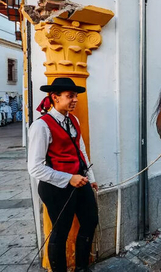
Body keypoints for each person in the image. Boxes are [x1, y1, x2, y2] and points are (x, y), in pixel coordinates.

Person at [28, 77, 98, 272]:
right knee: (60, 232)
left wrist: (90, 178)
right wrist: (68, 178)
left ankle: (82, 267)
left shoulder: (73, 119)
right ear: (55, 97)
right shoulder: (41, 126)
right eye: (70, 96)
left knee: (91, 221)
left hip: (79, 181)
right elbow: (34, 168)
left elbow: (80, 150)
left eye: (75, 96)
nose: (75, 100)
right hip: (55, 188)